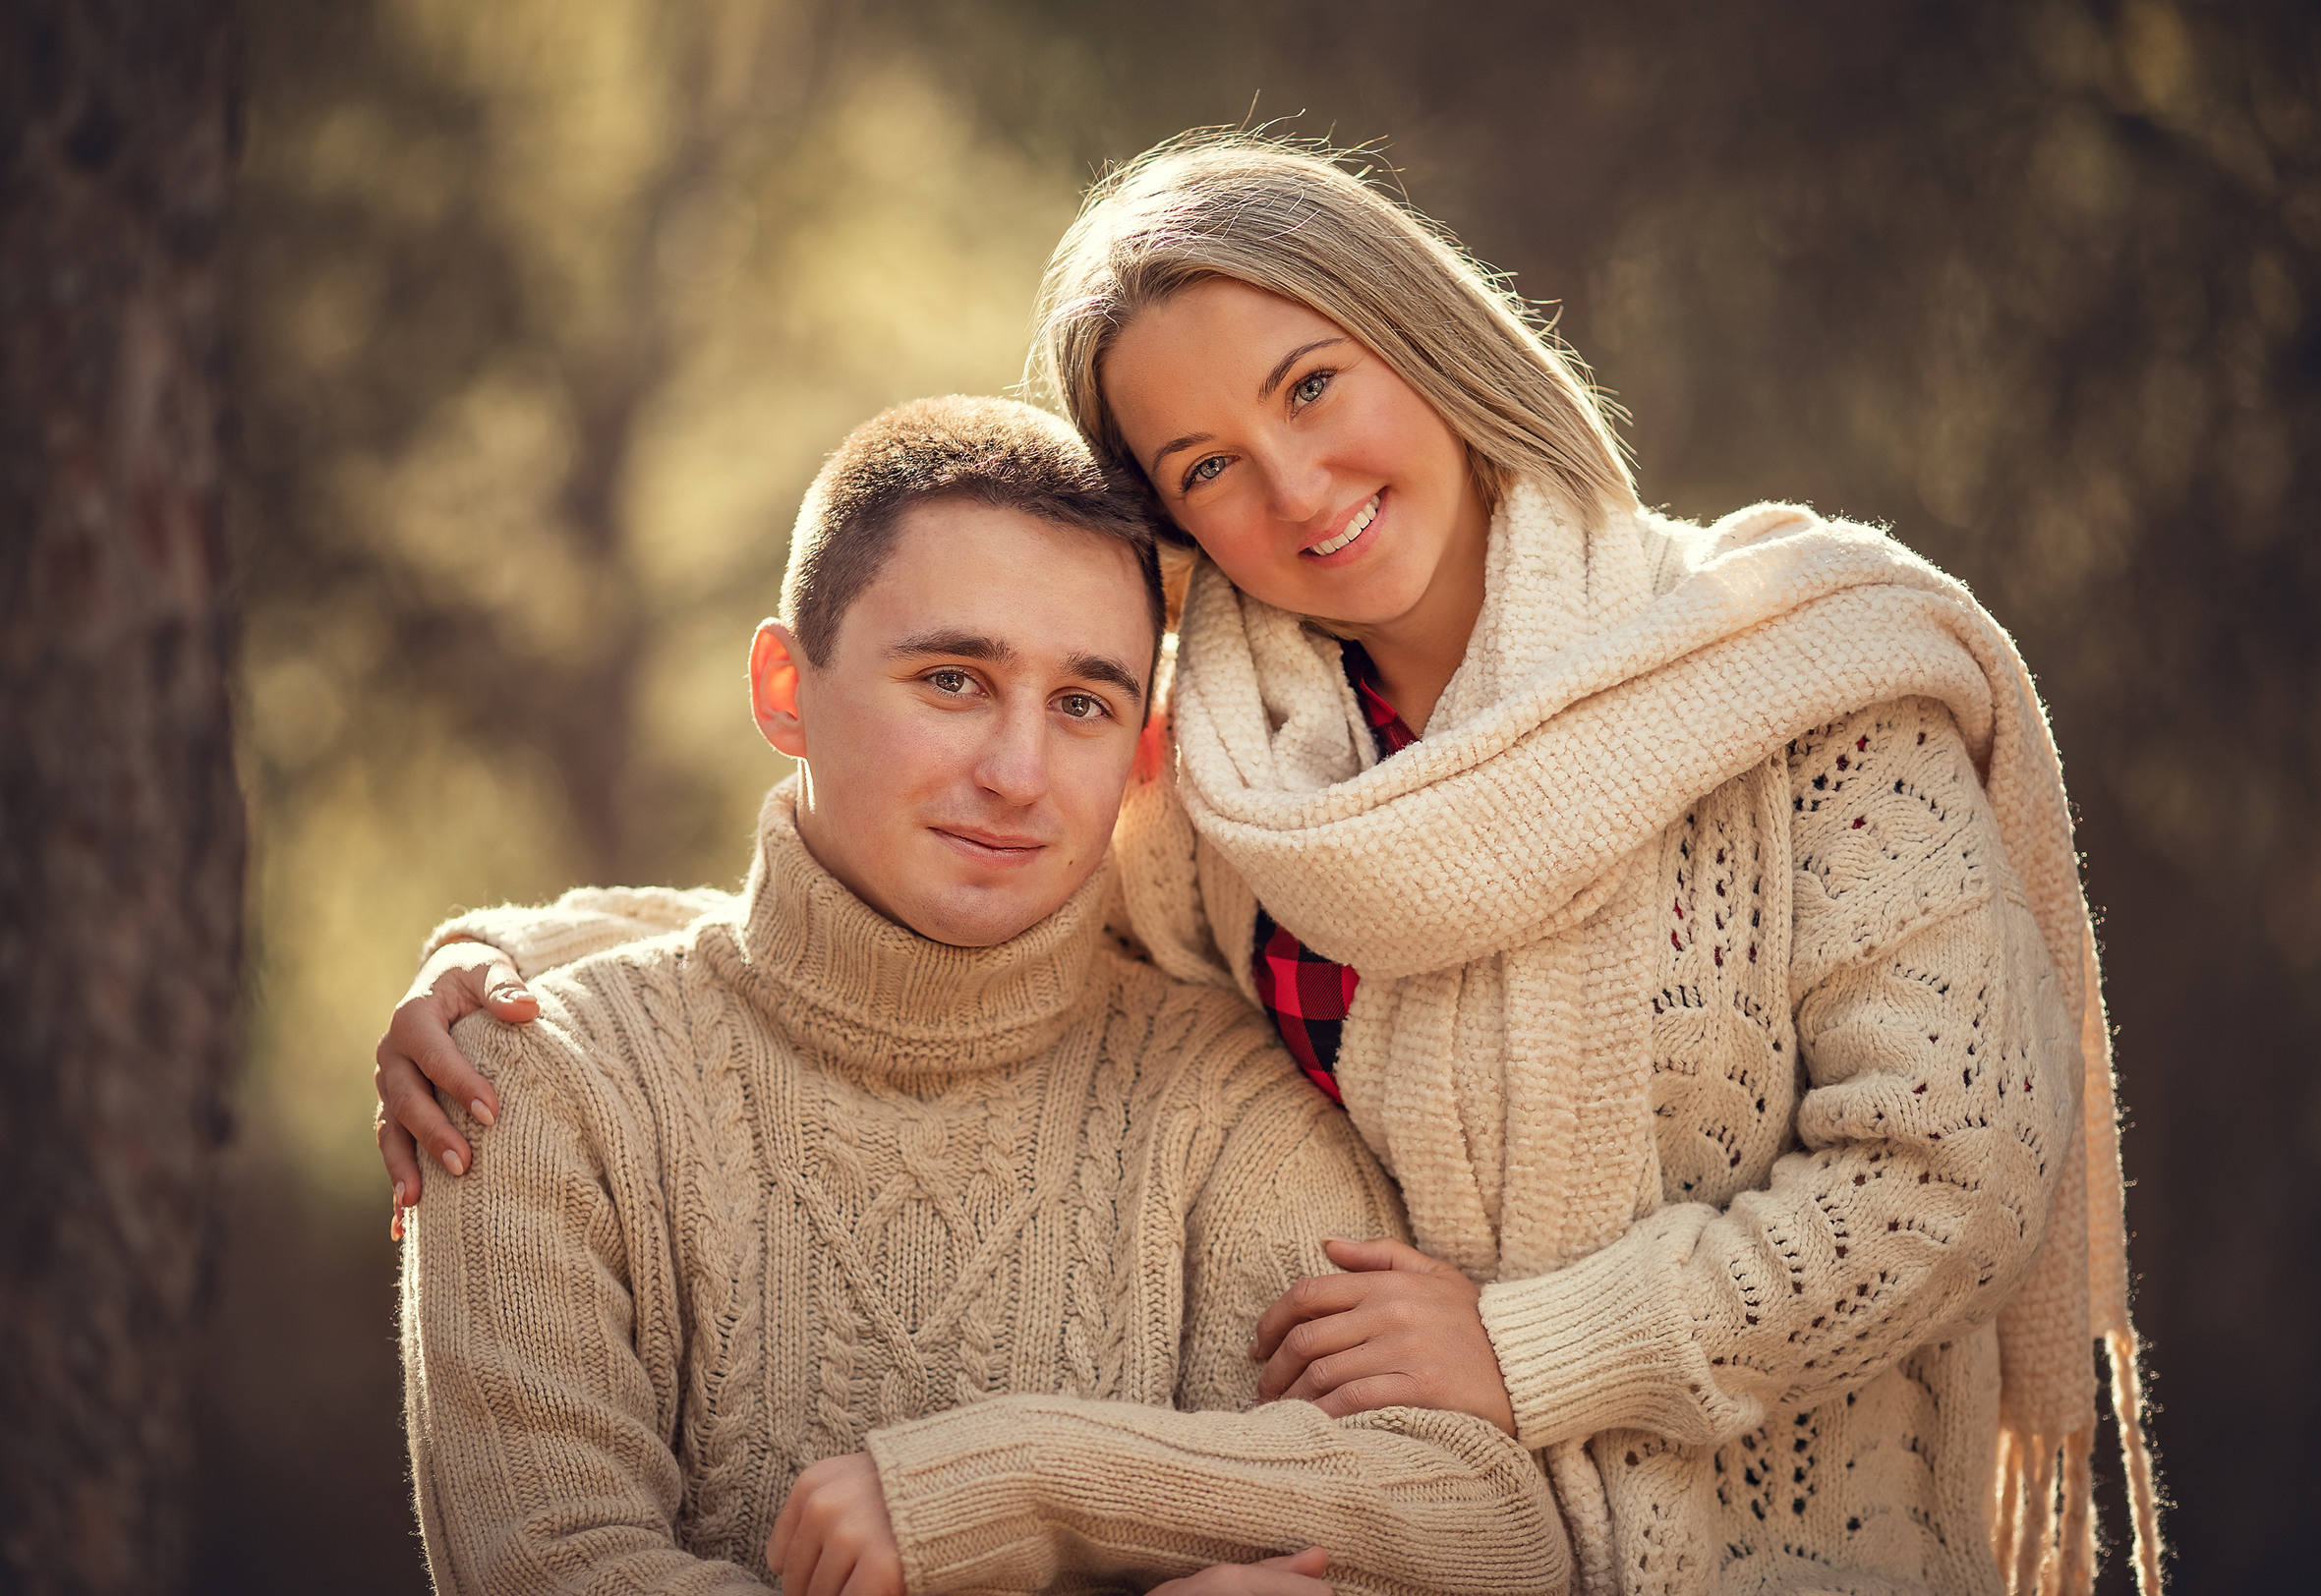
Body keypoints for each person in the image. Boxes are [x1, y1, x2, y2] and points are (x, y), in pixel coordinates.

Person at [380, 138, 2163, 1596]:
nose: (1298, 487)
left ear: (1429, 336)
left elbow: (1951, 1171)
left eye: (1314, 385)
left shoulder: (1798, 682)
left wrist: (1527, 1350)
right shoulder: (1234, 789)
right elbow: (922, 920)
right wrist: (513, 974)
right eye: (1205, 465)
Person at [391, 394, 1571, 1596]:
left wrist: (1030, 1481)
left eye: (1082, 705)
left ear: (1141, 747)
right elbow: (557, 1573)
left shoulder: (1219, 1105)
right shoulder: (524, 1083)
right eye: (954, 680)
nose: (1018, 776)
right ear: (784, 688)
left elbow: (1488, 1529)